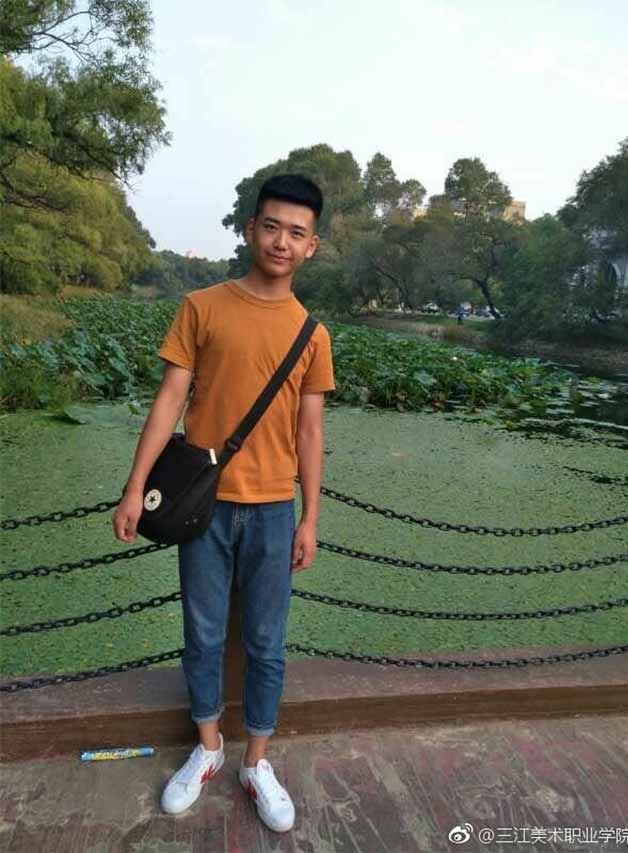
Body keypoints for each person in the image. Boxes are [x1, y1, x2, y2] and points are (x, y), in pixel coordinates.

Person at [112, 173, 335, 833]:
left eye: (296, 232)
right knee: (203, 633)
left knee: (267, 642)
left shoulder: (311, 333)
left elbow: (310, 431)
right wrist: (135, 487)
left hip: (273, 510)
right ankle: (208, 747)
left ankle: (257, 761)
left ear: (312, 246)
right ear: (250, 229)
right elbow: (170, 399)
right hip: (201, 508)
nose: (281, 241)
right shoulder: (202, 306)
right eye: (272, 226)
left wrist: (310, 517)